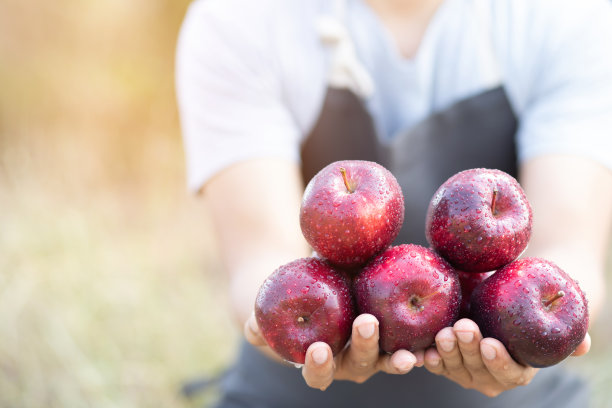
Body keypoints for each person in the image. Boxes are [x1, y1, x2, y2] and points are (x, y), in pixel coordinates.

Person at [175, 0, 612, 406]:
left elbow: (568, 247)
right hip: (291, 388)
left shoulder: (567, 15)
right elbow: (261, 257)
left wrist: (546, 328)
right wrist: (290, 335)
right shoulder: (240, 18)